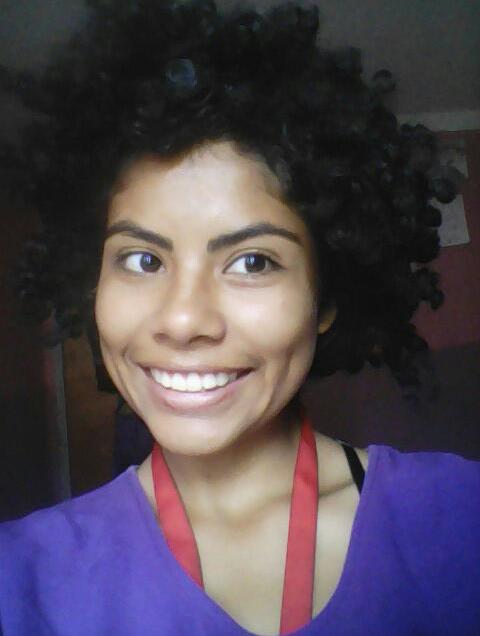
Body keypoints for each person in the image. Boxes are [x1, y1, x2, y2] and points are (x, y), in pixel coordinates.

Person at [0, 1, 478, 635]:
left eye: (253, 262)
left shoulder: (461, 520)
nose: (182, 320)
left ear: (325, 300)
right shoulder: (22, 578)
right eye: (142, 259)